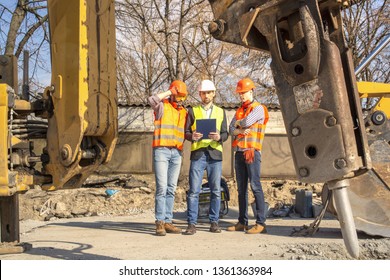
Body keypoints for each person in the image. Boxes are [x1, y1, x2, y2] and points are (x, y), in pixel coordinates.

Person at [183, 79, 228, 235]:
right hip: (198, 155)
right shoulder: (192, 111)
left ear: (214, 93)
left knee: (216, 190)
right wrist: (192, 136)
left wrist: (219, 137)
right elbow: (186, 132)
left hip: (215, 155)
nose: (206, 95)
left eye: (209, 92)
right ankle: (191, 224)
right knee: (194, 191)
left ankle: (214, 222)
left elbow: (225, 133)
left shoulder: (221, 112)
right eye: (203, 93)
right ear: (200, 94)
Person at [227, 78, 269, 234]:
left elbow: (245, 122)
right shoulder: (239, 110)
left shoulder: (259, 108)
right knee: (241, 189)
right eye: (240, 94)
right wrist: (238, 128)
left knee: (255, 186)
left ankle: (261, 223)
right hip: (239, 152)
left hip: (252, 152)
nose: (241, 96)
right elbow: (231, 129)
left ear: (251, 91)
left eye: (243, 93)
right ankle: (242, 222)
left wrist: (238, 124)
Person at [148, 80, 188, 236]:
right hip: (162, 150)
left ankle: (168, 221)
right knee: (162, 187)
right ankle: (159, 222)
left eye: (182, 97)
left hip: (176, 153)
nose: (180, 100)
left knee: (171, 188)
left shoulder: (183, 111)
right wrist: (170, 91)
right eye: (179, 96)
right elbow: (151, 100)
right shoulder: (162, 106)